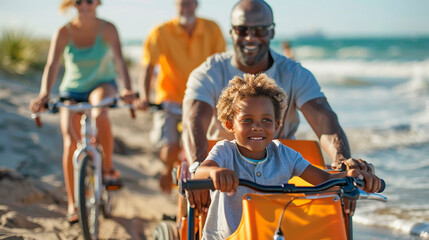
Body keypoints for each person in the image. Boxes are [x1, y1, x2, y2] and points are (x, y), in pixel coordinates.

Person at [182, 0, 374, 214]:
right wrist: (198, 170)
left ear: (272, 31)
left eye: (260, 30)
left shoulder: (295, 74)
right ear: (231, 32)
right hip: (221, 169)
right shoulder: (208, 72)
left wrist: (343, 164)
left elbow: (323, 119)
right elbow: (194, 120)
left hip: (280, 171)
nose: (250, 37)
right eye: (242, 29)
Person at [194, 73, 382, 239]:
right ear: (229, 125)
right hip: (226, 237)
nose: (257, 126)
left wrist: (352, 177)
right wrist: (214, 173)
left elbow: (324, 180)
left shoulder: (283, 153)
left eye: (266, 120)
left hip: (270, 234)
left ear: (277, 125)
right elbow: (201, 171)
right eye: (247, 120)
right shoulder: (225, 151)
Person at [29, 0, 135, 224]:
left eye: (89, 0)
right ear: (72, 4)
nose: (84, 5)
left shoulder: (108, 28)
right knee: (70, 140)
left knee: (100, 113)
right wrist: (44, 93)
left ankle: (107, 168)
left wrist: (127, 88)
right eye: (79, 1)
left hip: (103, 84)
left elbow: (119, 61)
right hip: (72, 89)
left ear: (97, 3)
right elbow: (52, 64)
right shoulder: (63, 32)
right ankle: (72, 202)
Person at [136, 0, 226, 194]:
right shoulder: (161, 32)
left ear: (196, 4)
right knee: (170, 148)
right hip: (170, 99)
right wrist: (144, 95)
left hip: (204, 100)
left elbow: (221, 66)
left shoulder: (212, 28)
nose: (186, 7)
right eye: (182, 3)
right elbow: (148, 66)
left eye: (189, 2)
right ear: (175, 5)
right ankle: (166, 169)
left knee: (206, 148)